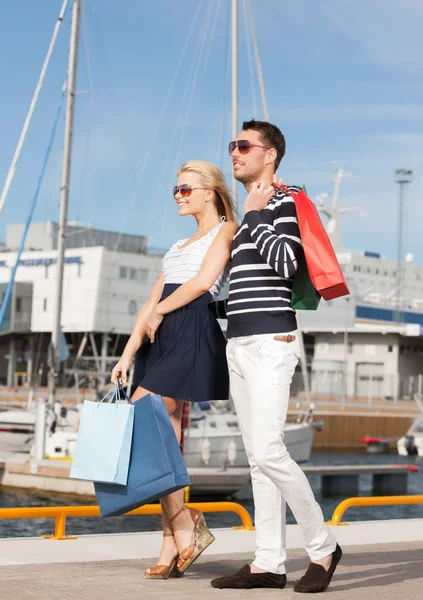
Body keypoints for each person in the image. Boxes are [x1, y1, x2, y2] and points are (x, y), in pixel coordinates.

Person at [210, 120, 342, 593]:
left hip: (271, 343)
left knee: (269, 450)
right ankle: (268, 562)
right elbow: (236, 290)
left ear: (270, 155)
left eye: (243, 145)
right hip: (239, 344)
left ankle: (323, 549)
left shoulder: (281, 202)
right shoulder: (249, 211)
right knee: (256, 459)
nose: (234, 152)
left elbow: (287, 263)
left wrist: (254, 216)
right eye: (232, 145)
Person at [111, 160, 238, 580]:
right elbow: (150, 301)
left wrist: (161, 311)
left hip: (191, 326)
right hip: (159, 333)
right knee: (167, 438)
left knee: (150, 422)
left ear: (209, 190)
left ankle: (184, 524)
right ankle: (172, 541)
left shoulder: (226, 230)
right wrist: (127, 354)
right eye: (176, 190)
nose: (179, 195)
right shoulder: (177, 245)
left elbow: (203, 283)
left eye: (186, 188)